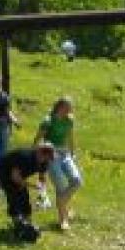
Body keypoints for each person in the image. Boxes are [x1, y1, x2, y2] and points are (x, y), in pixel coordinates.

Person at [34, 97, 82, 231]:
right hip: (51, 155)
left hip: (65, 154)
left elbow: (70, 138)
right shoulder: (48, 121)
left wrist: (73, 154)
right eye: (68, 108)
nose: (71, 110)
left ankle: (63, 205)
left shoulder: (69, 120)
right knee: (61, 184)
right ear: (61, 107)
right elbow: (36, 141)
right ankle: (63, 220)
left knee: (77, 181)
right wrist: (44, 154)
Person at [0, 143, 57, 242]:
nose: (47, 160)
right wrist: (33, 186)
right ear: (39, 152)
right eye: (46, 157)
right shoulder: (24, 156)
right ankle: (18, 227)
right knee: (14, 195)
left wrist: (43, 193)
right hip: (4, 170)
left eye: (49, 158)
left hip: (19, 174)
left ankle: (27, 225)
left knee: (25, 199)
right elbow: (15, 178)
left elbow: (42, 176)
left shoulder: (45, 161)